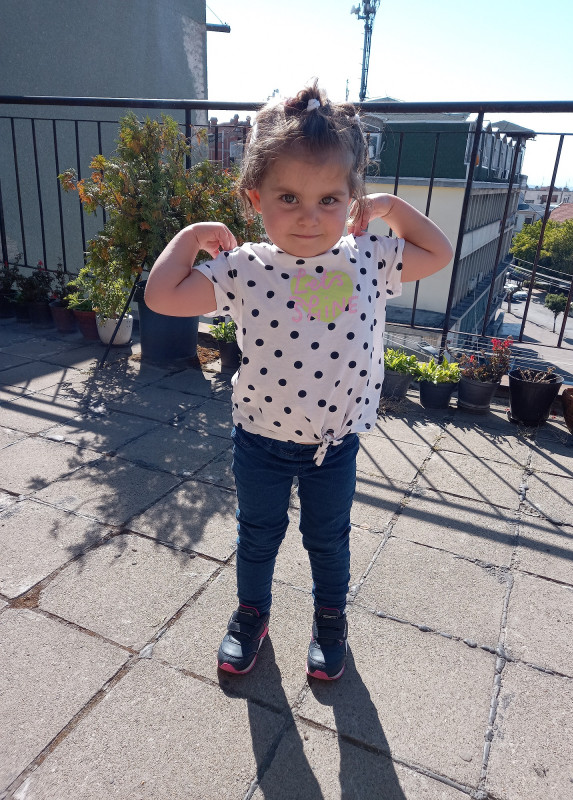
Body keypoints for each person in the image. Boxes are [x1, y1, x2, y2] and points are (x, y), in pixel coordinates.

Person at [145, 81, 453, 681]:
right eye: (288, 197)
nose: (309, 216)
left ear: (351, 201)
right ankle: (251, 614)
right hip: (260, 439)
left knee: (328, 539)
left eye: (329, 199)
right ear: (254, 199)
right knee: (257, 535)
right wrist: (188, 239)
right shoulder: (245, 268)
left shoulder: (369, 258)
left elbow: (437, 252)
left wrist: (391, 207)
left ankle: (330, 620)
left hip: (334, 445)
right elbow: (162, 296)